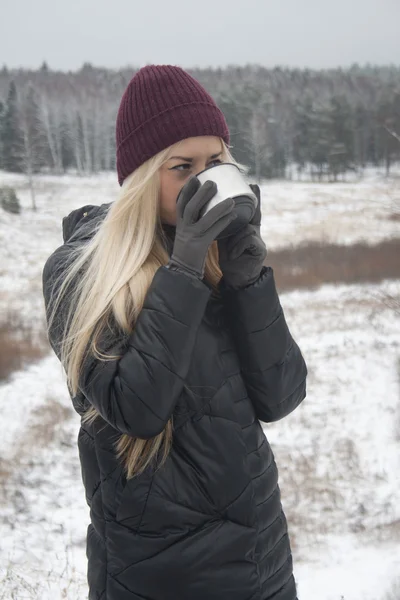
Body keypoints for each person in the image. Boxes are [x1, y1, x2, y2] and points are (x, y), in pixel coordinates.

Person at [42, 64, 307, 600]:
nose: (204, 180)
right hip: (162, 576)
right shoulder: (81, 272)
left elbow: (281, 396)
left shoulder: (217, 257)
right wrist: (182, 271)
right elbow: (135, 410)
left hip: (262, 563)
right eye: (182, 167)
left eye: (216, 162)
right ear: (140, 178)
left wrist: (249, 279)